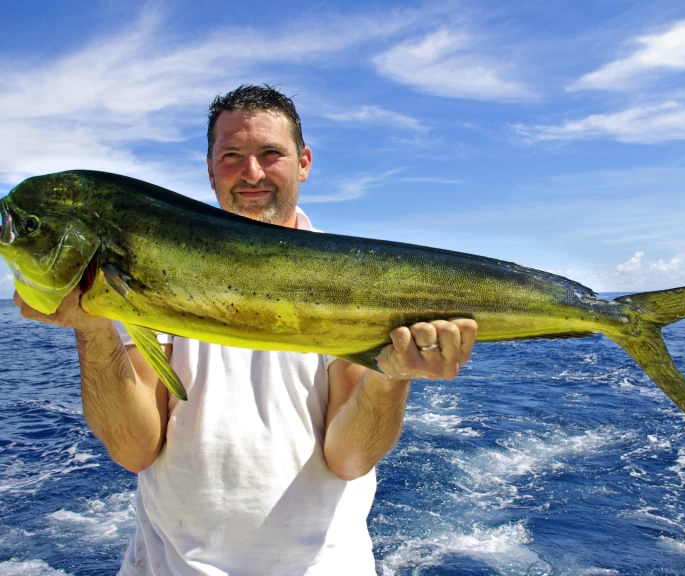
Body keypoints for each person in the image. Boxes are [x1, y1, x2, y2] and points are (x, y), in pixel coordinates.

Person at [14, 85, 478, 575]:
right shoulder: (150, 264)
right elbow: (134, 447)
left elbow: (349, 459)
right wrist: (93, 331)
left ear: (303, 163)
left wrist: (390, 376)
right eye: (232, 155)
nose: (251, 172)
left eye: (270, 153)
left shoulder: (351, 281)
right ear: (210, 167)